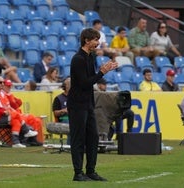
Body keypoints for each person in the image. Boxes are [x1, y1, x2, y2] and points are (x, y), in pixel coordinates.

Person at [67, 28, 118, 181]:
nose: (97, 43)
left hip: (88, 103)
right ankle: (78, 173)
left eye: (97, 39)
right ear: (86, 40)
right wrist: (102, 73)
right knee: (78, 139)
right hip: (77, 103)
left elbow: (90, 81)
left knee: (93, 137)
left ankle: (91, 170)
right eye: (95, 40)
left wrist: (102, 72)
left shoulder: (90, 57)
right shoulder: (78, 59)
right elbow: (84, 83)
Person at [0, 82, 34, 148]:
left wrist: (4, 111)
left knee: (16, 120)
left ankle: (15, 142)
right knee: (15, 114)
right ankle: (26, 130)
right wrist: (3, 112)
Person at [3, 79, 43, 145]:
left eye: (10, 86)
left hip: (16, 114)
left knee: (36, 120)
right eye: (7, 86)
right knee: (31, 117)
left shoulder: (7, 94)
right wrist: (12, 98)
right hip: (13, 116)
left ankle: (33, 139)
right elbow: (15, 105)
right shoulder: (5, 95)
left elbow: (19, 102)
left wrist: (13, 99)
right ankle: (30, 139)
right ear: (3, 86)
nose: (9, 87)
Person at [52, 77, 70, 145]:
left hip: (75, 117)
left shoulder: (76, 97)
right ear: (64, 86)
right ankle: (70, 146)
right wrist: (64, 111)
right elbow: (55, 113)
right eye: (69, 84)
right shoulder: (58, 98)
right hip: (63, 118)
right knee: (72, 124)